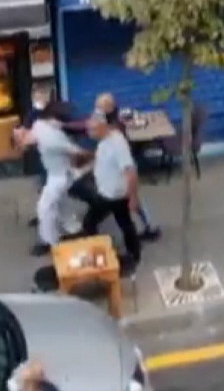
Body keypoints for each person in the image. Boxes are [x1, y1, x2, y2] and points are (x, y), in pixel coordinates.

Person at [13, 101, 89, 257]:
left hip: (60, 177)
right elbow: (35, 117)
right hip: (58, 174)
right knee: (61, 202)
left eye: (20, 143)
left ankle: (49, 241)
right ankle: (74, 228)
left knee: (45, 208)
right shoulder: (39, 126)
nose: (21, 139)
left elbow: (77, 151)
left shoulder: (51, 140)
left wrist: (88, 161)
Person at [93, 93, 162, 241]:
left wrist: (132, 195)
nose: (96, 114)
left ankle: (146, 229)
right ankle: (149, 226)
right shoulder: (115, 123)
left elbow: (130, 170)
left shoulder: (115, 130)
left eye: (99, 109)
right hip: (119, 167)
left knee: (129, 204)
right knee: (132, 205)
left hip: (120, 170)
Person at [79, 113, 142, 272]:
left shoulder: (117, 145)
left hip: (112, 195)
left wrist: (133, 197)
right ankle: (134, 254)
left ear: (103, 127)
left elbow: (131, 172)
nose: (89, 134)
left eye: (92, 130)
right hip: (110, 192)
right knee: (124, 222)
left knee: (89, 223)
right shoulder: (106, 141)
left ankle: (98, 255)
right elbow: (101, 161)